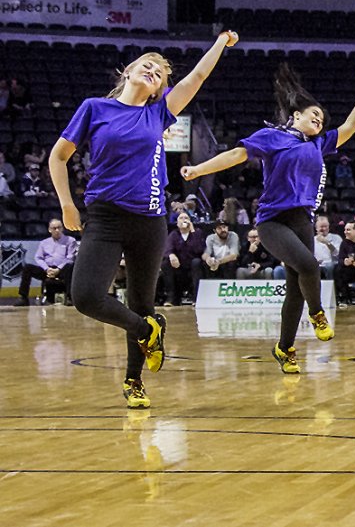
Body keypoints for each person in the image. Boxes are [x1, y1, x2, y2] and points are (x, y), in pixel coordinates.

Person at [49, 31, 238, 408]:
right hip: (103, 217)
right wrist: (68, 206)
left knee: (141, 300)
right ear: (129, 71)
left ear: (158, 91)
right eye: (147, 65)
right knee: (85, 297)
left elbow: (196, 78)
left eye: (160, 74)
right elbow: (58, 157)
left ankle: (133, 381)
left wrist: (218, 43)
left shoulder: (158, 112)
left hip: (150, 221)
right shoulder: (94, 108)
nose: (153, 71)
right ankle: (148, 330)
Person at [182, 63, 355, 374]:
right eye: (313, 115)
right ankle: (317, 314)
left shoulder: (317, 142)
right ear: (296, 115)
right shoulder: (272, 137)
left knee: (296, 286)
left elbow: (350, 127)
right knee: (309, 266)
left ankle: (284, 348)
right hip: (272, 221)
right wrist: (198, 169)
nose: (319, 120)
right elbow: (236, 155)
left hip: (302, 218)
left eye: (322, 119)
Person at [17, 219, 77, 306]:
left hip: (62, 270)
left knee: (70, 266)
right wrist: (47, 269)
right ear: (50, 230)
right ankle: (23, 297)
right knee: (27, 268)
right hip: (47, 269)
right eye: (54, 228)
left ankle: (69, 298)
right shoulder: (44, 243)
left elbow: (70, 258)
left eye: (59, 228)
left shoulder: (70, 241)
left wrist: (58, 269)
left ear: (62, 228)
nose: (57, 230)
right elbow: (38, 257)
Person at [160, 212, 207, 305]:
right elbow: (168, 249)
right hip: (178, 267)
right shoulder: (174, 234)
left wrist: (192, 231)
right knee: (165, 263)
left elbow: (199, 250)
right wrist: (171, 255)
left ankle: (196, 298)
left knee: (196, 262)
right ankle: (171, 298)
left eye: (186, 218)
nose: (184, 220)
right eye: (181, 218)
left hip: (193, 267)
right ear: (177, 223)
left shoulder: (197, 232)